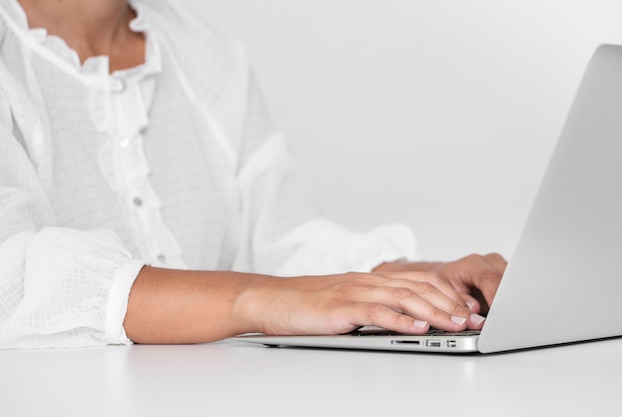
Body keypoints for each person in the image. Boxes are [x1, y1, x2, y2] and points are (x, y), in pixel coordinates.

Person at [0, 0, 505, 349]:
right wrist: (259, 299)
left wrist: (405, 284)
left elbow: (280, 236)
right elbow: (12, 273)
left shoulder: (206, 54)